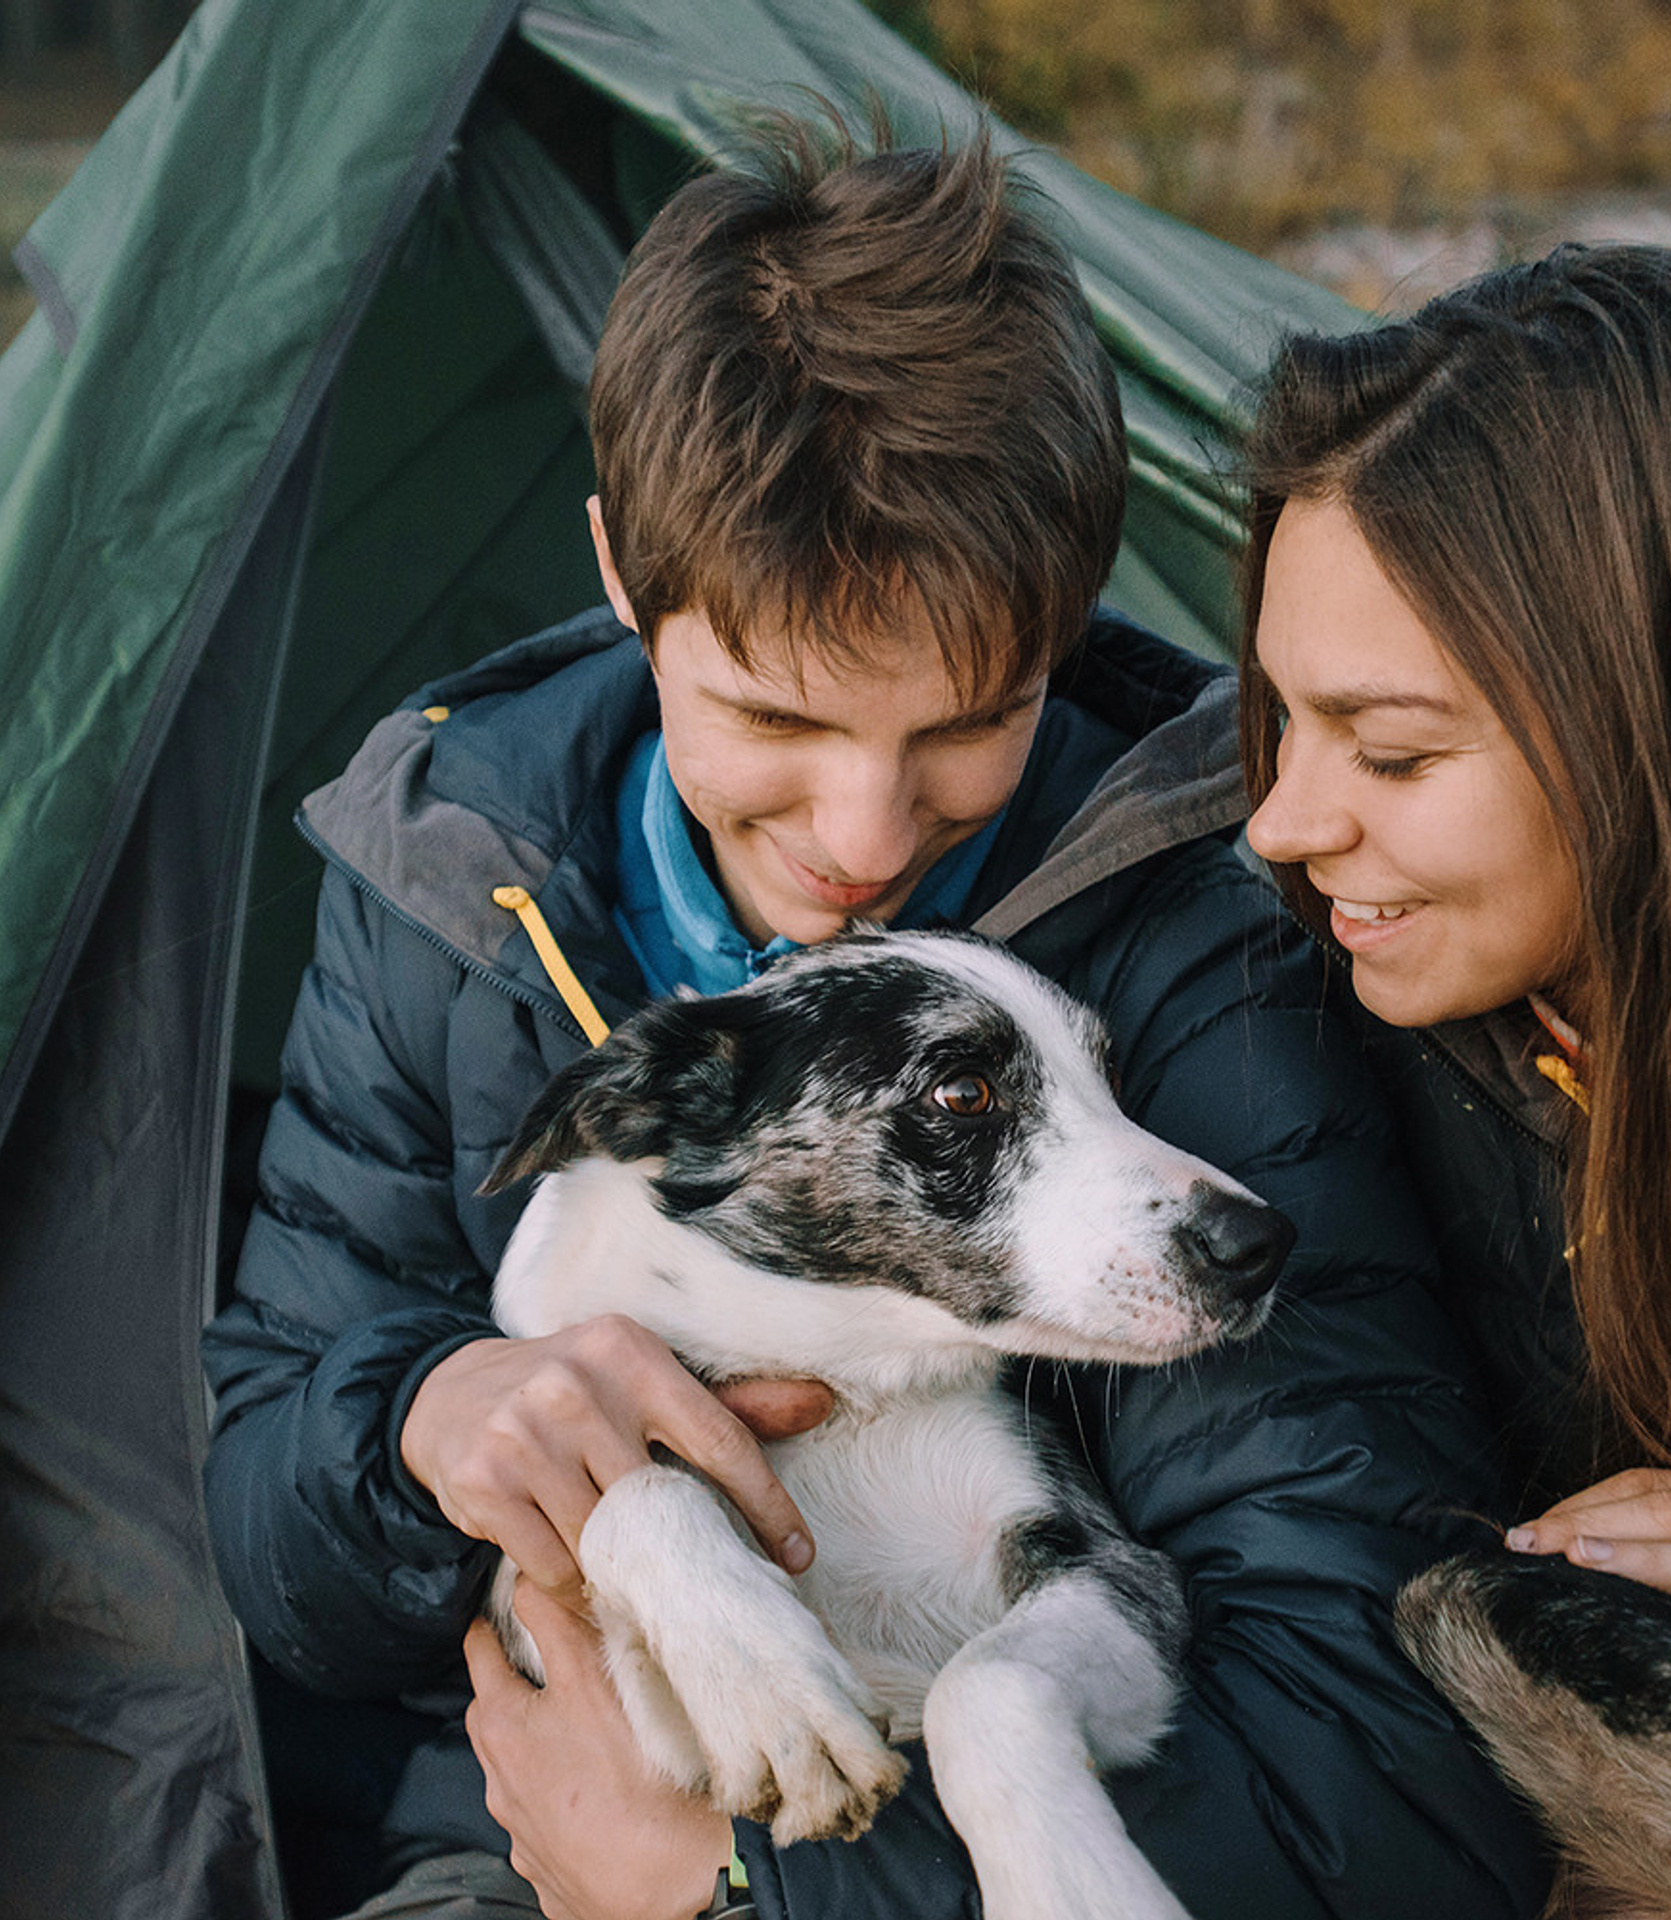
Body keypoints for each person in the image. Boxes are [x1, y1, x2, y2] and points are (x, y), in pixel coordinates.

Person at [202, 117, 1546, 1920]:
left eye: (970, 721)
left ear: (1064, 623)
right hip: (508, 1839)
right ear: (624, 581)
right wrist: (415, 1422)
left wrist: (740, 1890)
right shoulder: (445, 882)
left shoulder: (1204, 933)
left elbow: (1369, 1724)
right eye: (775, 718)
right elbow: (267, 1526)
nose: (864, 837)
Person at [1238, 241, 1671, 1710]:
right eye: (1279, 713)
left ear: (1669, 728)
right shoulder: (1256, 986)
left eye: (1392, 753)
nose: (1279, 822)